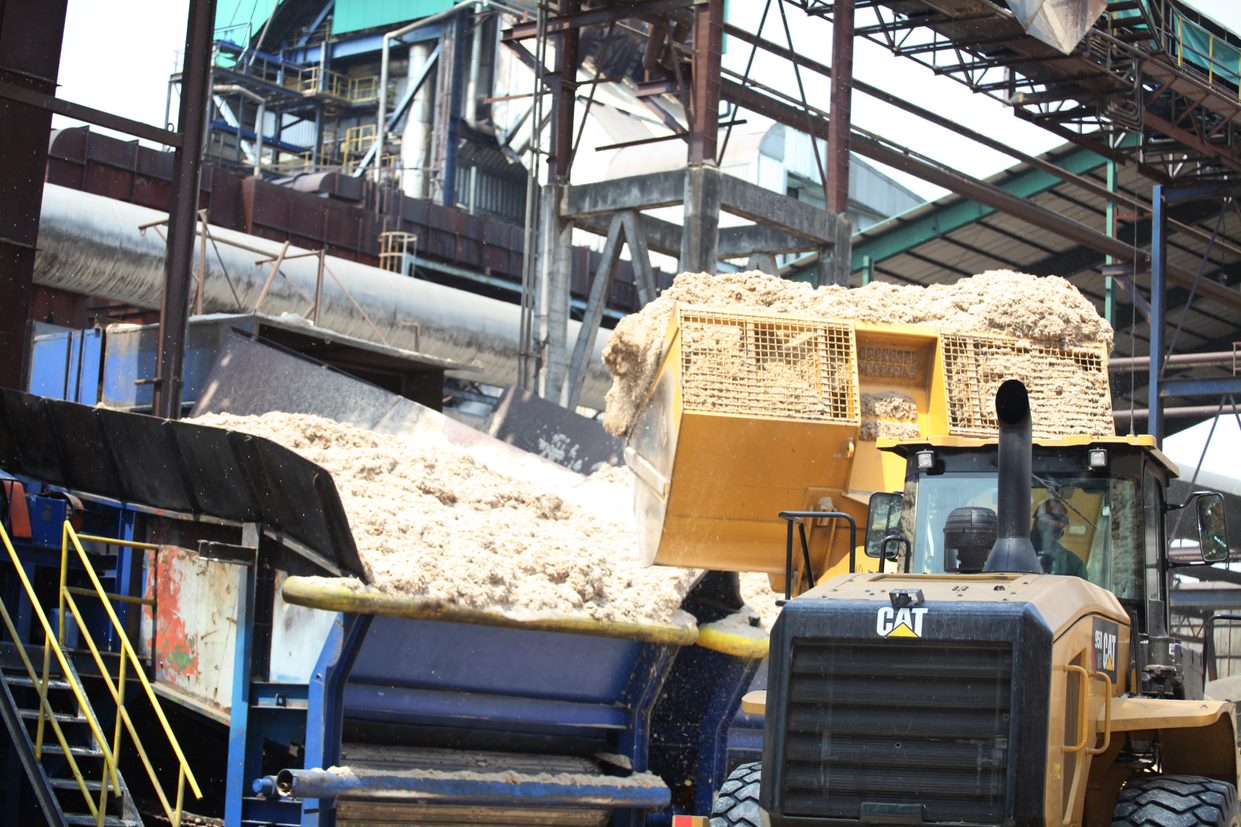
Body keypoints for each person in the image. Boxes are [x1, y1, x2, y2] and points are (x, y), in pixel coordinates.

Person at [1031, 498, 1087, 578]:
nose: (1046, 533)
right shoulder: (1013, 553)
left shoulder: (1072, 564)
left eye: (1052, 528)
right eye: (1041, 525)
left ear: (1060, 533)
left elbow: (1082, 589)